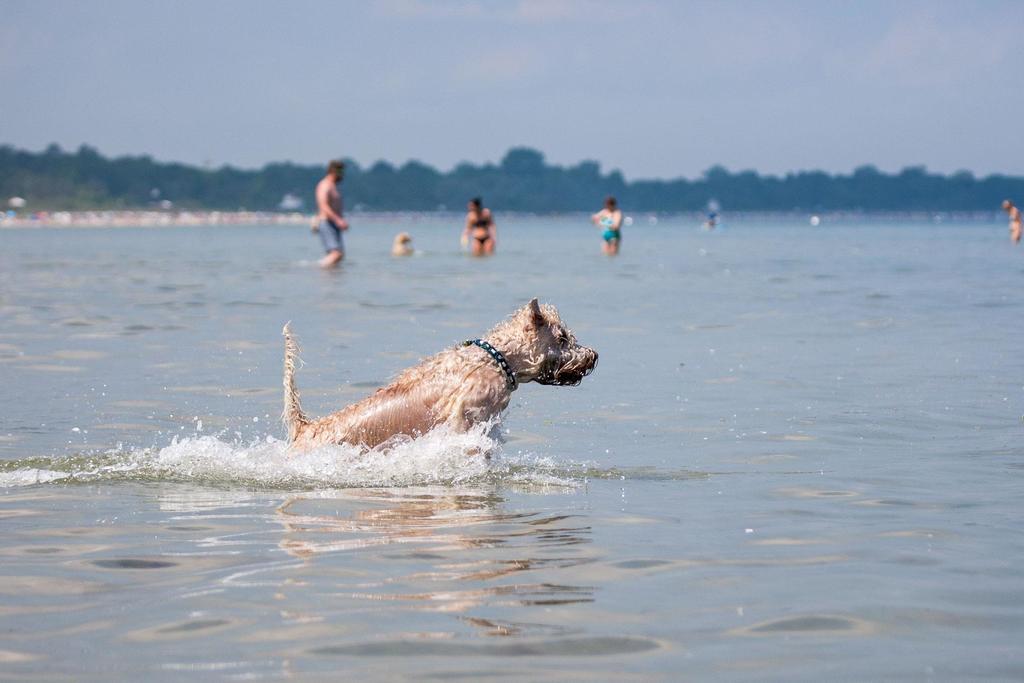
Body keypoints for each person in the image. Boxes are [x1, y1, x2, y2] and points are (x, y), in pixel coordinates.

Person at [313, 160, 348, 267]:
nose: (342, 175)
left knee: (339, 255)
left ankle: (332, 280)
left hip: (333, 224)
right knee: (335, 254)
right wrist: (338, 220)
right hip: (326, 222)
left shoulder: (332, 186)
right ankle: (318, 268)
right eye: (341, 172)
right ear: (333, 171)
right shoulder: (324, 185)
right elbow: (323, 205)